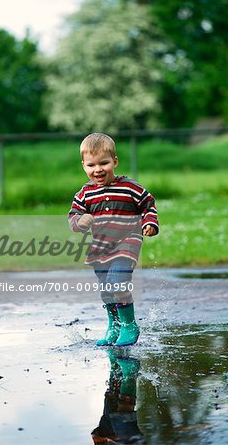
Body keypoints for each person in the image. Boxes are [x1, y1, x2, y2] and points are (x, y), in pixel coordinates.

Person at [68, 132, 159, 347]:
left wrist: (150, 223)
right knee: (106, 288)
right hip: (100, 249)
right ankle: (115, 324)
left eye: (104, 163)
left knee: (117, 282)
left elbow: (148, 204)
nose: (98, 169)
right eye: (91, 165)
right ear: (83, 165)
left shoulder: (129, 188)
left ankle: (129, 325)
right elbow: (73, 217)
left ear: (114, 162)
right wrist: (80, 222)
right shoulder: (85, 194)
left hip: (127, 243)